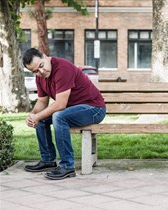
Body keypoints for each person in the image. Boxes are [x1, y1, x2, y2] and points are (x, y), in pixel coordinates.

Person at [22, 48, 106, 180]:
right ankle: (48, 160)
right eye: (35, 71)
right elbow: (42, 102)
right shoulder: (40, 78)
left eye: (41, 66)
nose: (41, 72)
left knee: (59, 116)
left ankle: (67, 167)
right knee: (42, 119)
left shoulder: (62, 68)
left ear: (44, 56)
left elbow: (60, 104)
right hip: (73, 109)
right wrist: (32, 116)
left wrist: (38, 116)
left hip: (94, 109)